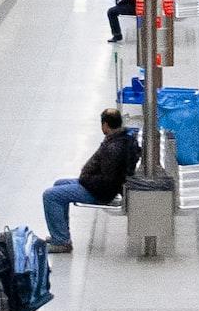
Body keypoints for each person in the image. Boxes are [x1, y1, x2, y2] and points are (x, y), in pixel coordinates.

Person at [40, 108, 140, 252]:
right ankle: (61, 235)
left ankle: (62, 242)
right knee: (59, 184)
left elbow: (107, 181)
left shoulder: (114, 148)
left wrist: (86, 181)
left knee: (51, 195)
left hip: (99, 191)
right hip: (95, 185)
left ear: (105, 125)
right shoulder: (119, 139)